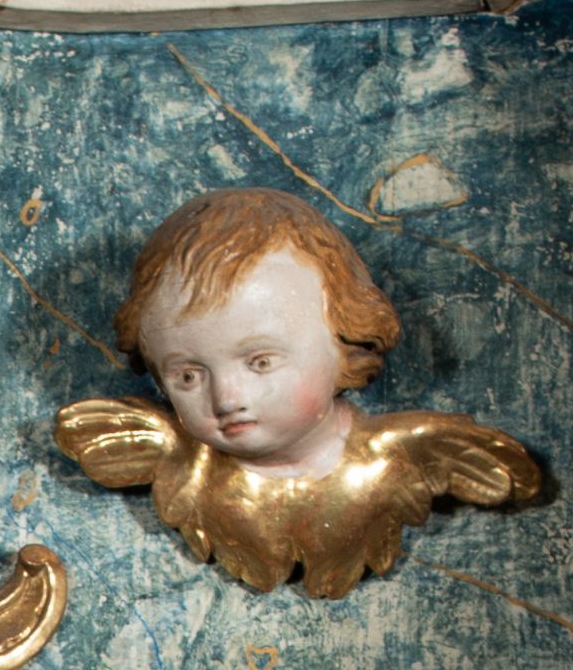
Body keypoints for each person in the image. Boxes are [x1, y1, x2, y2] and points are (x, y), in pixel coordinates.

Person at [114, 188, 396, 482]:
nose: (226, 401)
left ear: (345, 340)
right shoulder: (189, 481)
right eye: (189, 377)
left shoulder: (396, 464)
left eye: (261, 363)